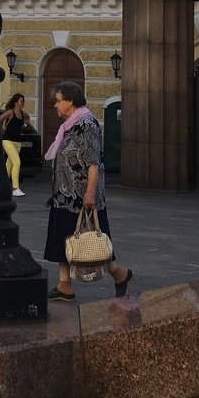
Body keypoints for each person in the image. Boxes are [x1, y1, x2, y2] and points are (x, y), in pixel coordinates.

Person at [43, 80, 133, 303]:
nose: (55, 105)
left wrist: (90, 194)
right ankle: (65, 285)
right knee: (62, 240)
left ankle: (119, 274)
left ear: (70, 101)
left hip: (81, 196)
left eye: (58, 101)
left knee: (91, 241)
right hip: (64, 195)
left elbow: (93, 162)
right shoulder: (69, 125)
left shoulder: (87, 124)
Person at [0, 93, 31, 198]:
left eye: (23, 101)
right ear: (16, 102)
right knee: (17, 162)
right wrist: (2, 130)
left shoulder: (22, 113)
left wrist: (25, 124)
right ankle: (15, 188)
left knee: (9, 164)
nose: (22, 103)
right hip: (8, 141)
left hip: (17, 142)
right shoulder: (10, 112)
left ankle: (1, 186)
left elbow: (27, 118)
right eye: (21, 101)